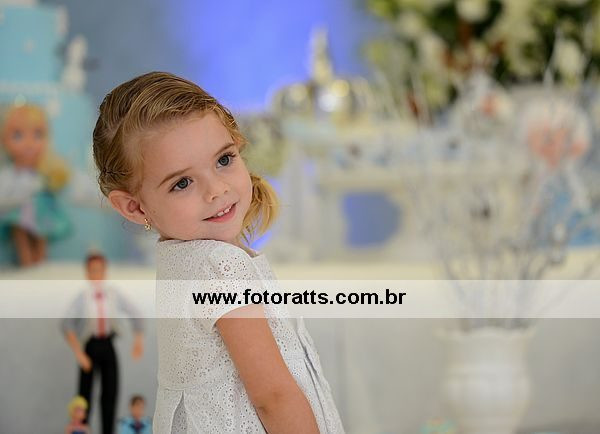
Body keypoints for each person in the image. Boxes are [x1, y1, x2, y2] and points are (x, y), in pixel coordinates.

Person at [92, 71, 344, 433]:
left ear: (237, 144)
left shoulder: (181, 259)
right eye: (182, 183)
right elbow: (273, 396)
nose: (216, 190)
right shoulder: (219, 266)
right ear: (134, 207)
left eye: (224, 160)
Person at [61, 252, 145, 434]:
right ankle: (81, 430)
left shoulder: (113, 294)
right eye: (93, 270)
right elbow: (66, 324)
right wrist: (79, 353)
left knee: (110, 393)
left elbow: (136, 314)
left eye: (100, 270)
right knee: (84, 396)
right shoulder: (82, 297)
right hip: (89, 346)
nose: (97, 274)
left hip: (107, 345)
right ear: (87, 273)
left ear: (105, 271)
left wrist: (138, 339)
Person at [0, 103, 71, 266]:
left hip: (41, 208)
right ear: (3, 140)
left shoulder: (44, 170)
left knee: (41, 229)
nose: (29, 143)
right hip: (18, 207)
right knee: (19, 226)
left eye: (38, 134)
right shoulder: (11, 173)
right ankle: (26, 259)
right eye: (18, 135)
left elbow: (51, 184)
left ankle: (40, 259)